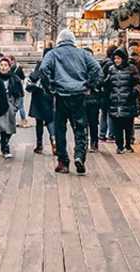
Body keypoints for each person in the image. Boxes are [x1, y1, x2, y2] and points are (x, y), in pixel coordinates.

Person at [36, 29, 101, 174]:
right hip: (79, 95)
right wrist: (89, 85)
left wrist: (50, 87)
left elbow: (43, 70)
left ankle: (63, 162)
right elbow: (97, 69)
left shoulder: (53, 54)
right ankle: (79, 156)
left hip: (60, 96)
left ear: (59, 40)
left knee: (60, 129)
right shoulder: (83, 53)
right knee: (80, 128)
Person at [104, 48, 140, 153]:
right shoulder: (111, 69)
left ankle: (128, 144)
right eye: (115, 58)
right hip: (115, 102)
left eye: (118, 58)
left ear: (123, 58)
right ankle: (119, 146)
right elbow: (107, 83)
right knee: (117, 126)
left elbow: (139, 83)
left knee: (128, 125)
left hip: (128, 101)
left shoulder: (132, 68)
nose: (116, 60)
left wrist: (134, 92)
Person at [0, 57, 24, 158]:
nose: (3, 67)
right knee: (3, 128)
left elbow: (19, 94)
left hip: (11, 106)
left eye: (5, 65)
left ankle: (4, 141)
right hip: (0, 106)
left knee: (10, 128)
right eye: (1, 65)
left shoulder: (15, 78)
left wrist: (16, 106)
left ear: (9, 67)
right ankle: (5, 148)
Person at [27, 49, 55, 155]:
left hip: (39, 96)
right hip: (50, 96)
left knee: (39, 122)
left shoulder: (41, 65)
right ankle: (54, 140)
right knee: (50, 120)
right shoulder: (55, 65)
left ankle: (39, 145)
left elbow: (33, 77)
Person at [98, 45, 117, 142]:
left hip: (103, 92)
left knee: (104, 113)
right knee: (110, 113)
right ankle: (111, 134)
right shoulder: (111, 64)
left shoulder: (103, 62)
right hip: (109, 91)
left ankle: (102, 134)